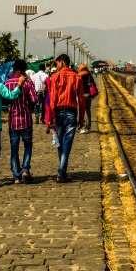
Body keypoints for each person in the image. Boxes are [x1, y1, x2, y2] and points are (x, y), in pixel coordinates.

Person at [44, 54, 86, 183]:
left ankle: (62, 171)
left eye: (57, 63)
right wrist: (81, 118)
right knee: (67, 143)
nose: (56, 66)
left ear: (62, 63)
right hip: (71, 112)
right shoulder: (77, 77)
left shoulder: (55, 77)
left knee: (60, 143)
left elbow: (53, 99)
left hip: (58, 112)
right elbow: (81, 99)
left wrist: (50, 117)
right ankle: (62, 171)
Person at [5, 59, 37, 183]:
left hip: (13, 120)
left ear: (13, 69)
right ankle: (25, 170)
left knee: (14, 148)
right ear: (24, 69)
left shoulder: (7, 83)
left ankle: (16, 176)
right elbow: (34, 99)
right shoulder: (28, 82)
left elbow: (5, 100)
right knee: (28, 145)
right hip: (26, 119)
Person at [78, 63, 97, 133]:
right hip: (88, 94)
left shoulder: (79, 76)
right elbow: (94, 85)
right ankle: (88, 126)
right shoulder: (89, 76)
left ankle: (80, 125)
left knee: (81, 111)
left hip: (81, 95)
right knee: (88, 111)